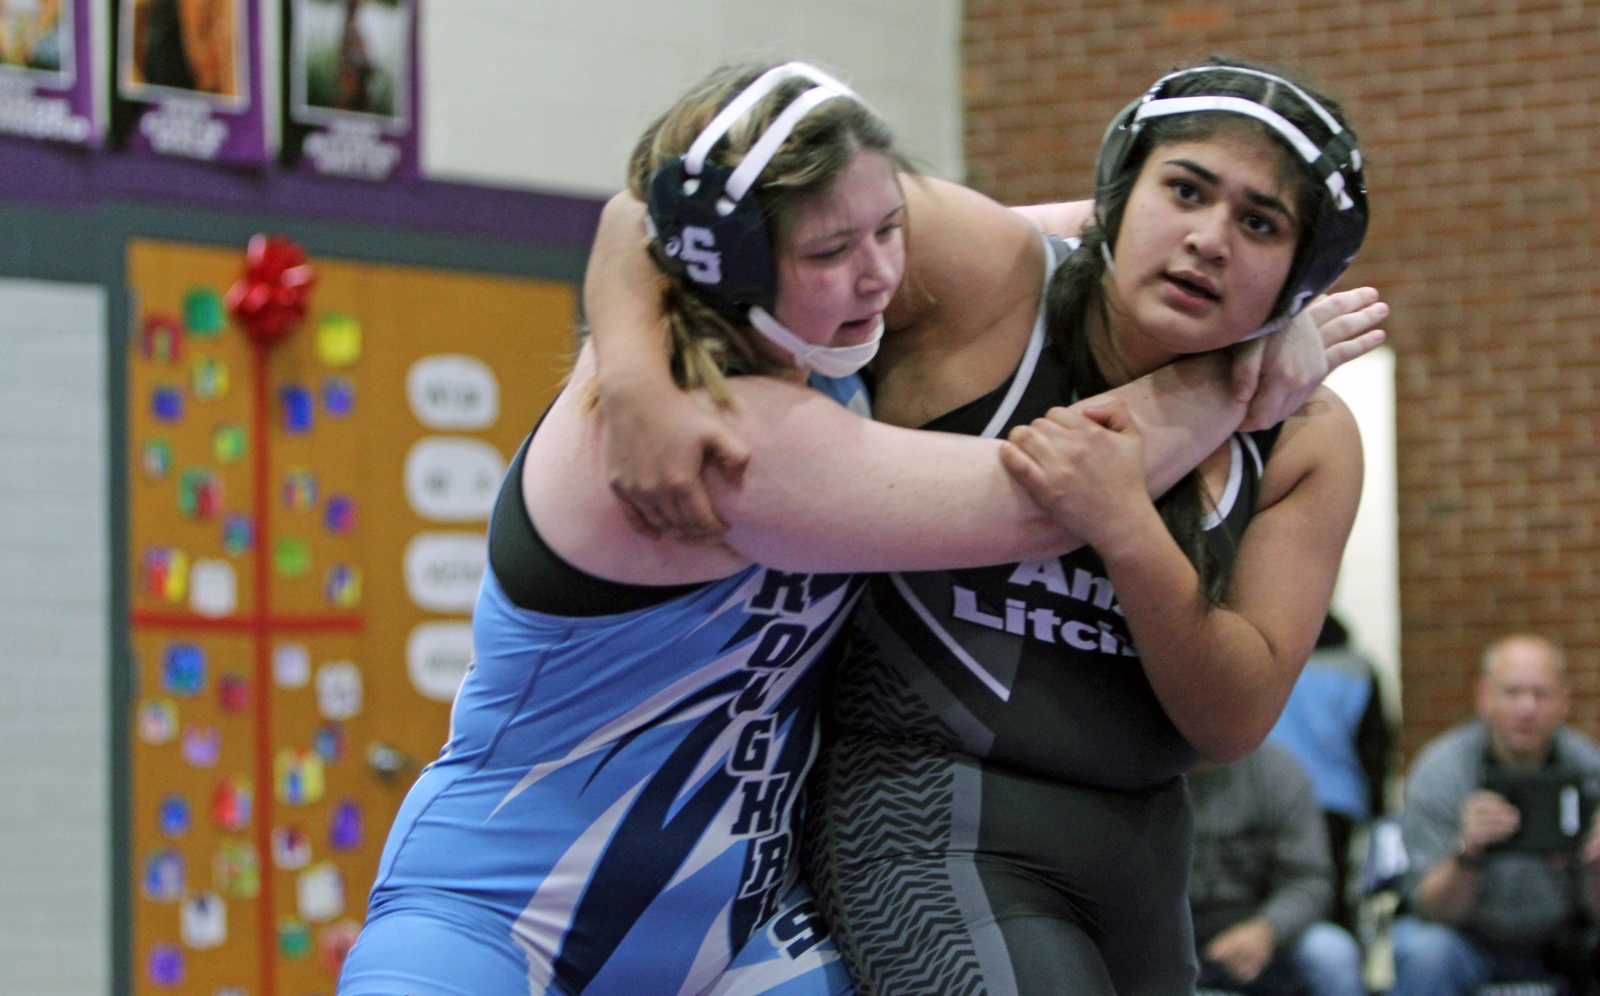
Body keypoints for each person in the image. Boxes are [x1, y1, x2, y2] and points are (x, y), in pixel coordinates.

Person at [338, 62, 1384, 996]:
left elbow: (1098, 233)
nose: (881, 272)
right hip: (500, 916)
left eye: (890, 229)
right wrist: (1236, 373)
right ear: (732, 257)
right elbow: (1037, 501)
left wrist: (1276, 305)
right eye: (836, 248)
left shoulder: (837, 341)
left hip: (744, 932)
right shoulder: (718, 430)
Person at [1392, 634, 1600, 996]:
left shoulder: (1589, 770)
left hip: (1563, 942)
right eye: (1512, 692)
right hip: (1467, 942)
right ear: (1484, 697)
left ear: (1564, 701)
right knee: (1424, 951)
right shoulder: (1442, 771)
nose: (1527, 708)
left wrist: (1595, 866)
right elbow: (1432, 911)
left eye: (1541, 694)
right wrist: (1469, 852)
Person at [1189, 744, 1367, 996]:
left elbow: (1310, 879)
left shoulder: (1276, 770)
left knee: (1333, 953)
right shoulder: (1140, 770)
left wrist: (1267, 929)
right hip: (1166, 939)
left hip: (1260, 931)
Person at [1268, 612, 1395, 929]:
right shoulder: (1357, 668)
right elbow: (1375, 748)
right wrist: (1378, 813)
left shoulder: (1260, 658)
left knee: (1275, 897)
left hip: (1270, 800)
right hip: (1336, 803)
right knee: (1333, 900)